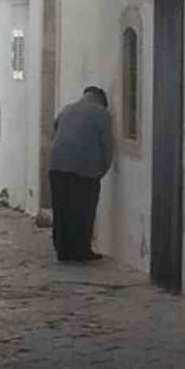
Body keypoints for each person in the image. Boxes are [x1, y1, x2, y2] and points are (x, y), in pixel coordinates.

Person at [48, 86, 114, 262]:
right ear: (101, 100)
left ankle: (62, 250)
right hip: (84, 168)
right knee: (83, 210)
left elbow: (54, 135)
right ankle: (81, 250)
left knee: (61, 209)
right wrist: (102, 170)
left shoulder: (66, 109)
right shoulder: (102, 114)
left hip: (56, 165)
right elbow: (107, 146)